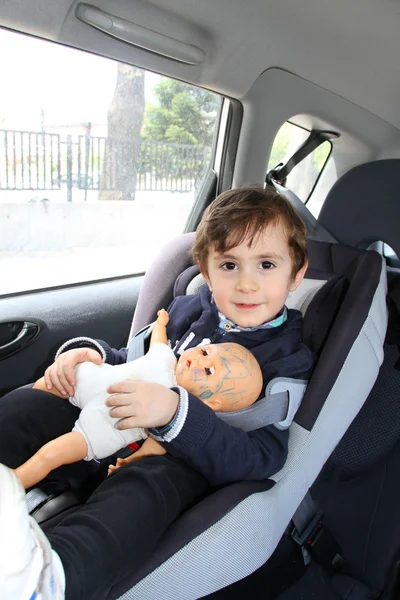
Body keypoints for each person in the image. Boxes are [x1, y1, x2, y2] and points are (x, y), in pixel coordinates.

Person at [0, 186, 315, 600]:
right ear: (205, 268)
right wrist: (88, 357)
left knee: (140, 496)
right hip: (111, 415)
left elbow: (262, 458)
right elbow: (135, 357)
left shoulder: (287, 361)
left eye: (267, 265)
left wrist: (175, 414)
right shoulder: (190, 312)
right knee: (29, 405)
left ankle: (53, 577)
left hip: (179, 463)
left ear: (296, 274)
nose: (246, 284)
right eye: (229, 265)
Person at [16, 309, 263, 488]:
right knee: (40, 389)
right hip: (90, 380)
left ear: (210, 404)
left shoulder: (173, 414)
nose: (200, 359)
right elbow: (159, 341)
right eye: (206, 351)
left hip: (104, 426)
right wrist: (161, 323)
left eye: (209, 371)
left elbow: (155, 447)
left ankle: (15, 481)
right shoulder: (167, 357)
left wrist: (129, 461)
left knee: (51, 455)